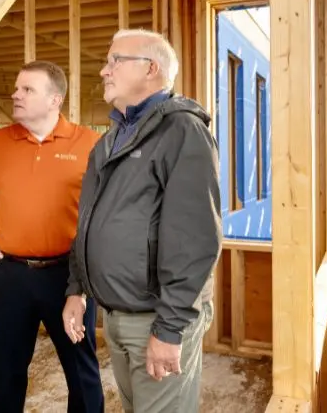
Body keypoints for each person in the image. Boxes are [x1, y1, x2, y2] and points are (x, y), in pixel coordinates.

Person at [62, 29, 221, 413]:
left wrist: (169, 329)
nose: (104, 70)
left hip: (156, 317)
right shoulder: (110, 141)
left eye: (115, 60)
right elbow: (88, 222)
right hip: (117, 317)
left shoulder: (182, 130)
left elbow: (193, 239)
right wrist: (76, 289)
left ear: (151, 69)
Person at [0, 60, 104, 413]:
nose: (15, 95)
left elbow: (105, 215)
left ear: (55, 99)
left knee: (81, 371)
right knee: (7, 372)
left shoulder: (90, 143)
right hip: (10, 275)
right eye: (16, 87)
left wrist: (83, 288)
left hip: (69, 278)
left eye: (27, 89)